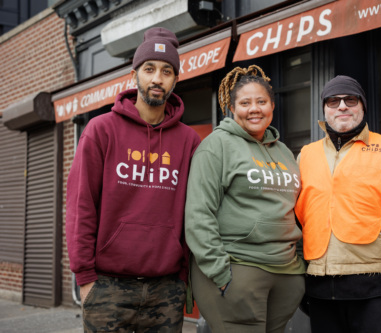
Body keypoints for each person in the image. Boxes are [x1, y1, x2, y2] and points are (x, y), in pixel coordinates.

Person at [65, 27, 201, 333]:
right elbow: (80, 206)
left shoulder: (189, 141)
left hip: (165, 289)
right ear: (134, 74)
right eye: (149, 69)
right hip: (108, 287)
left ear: (175, 80)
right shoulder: (101, 131)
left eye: (167, 71)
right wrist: (85, 278)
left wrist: (182, 277)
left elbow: (197, 212)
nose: (157, 78)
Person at [295, 75, 381, 332]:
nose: (342, 106)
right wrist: (298, 282)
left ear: (363, 106)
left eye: (351, 99)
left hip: (374, 290)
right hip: (320, 291)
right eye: (333, 101)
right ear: (324, 109)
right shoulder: (305, 156)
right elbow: (295, 223)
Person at [184, 65, 305, 333]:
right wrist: (220, 273)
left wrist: (300, 265)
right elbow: (198, 214)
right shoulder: (217, 146)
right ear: (232, 107)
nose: (254, 109)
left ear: (272, 105)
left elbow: (295, 210)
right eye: (245, 102)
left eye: (261, 101)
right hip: (237, 269)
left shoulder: (284, 151)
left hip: (286, 273)